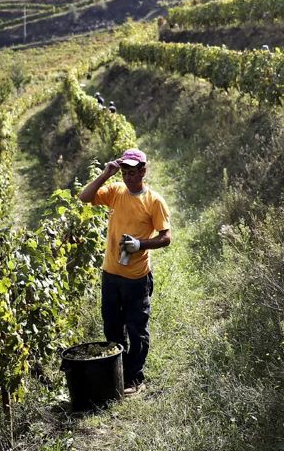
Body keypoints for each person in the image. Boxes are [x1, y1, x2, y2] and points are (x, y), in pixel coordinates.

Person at [78, 148, 171, 393]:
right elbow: (84, 197)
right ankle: (118, 375)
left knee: (136, 329)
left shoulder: (154, 201)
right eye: (125, 173)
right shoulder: (116, 191)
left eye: (133, 173)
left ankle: (134, 378)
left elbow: (166, 237)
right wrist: (106, 173)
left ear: (143, 171)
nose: (128, 178)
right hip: (110, 274)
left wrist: (141, 244)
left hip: (136, 278)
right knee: (112, 327)